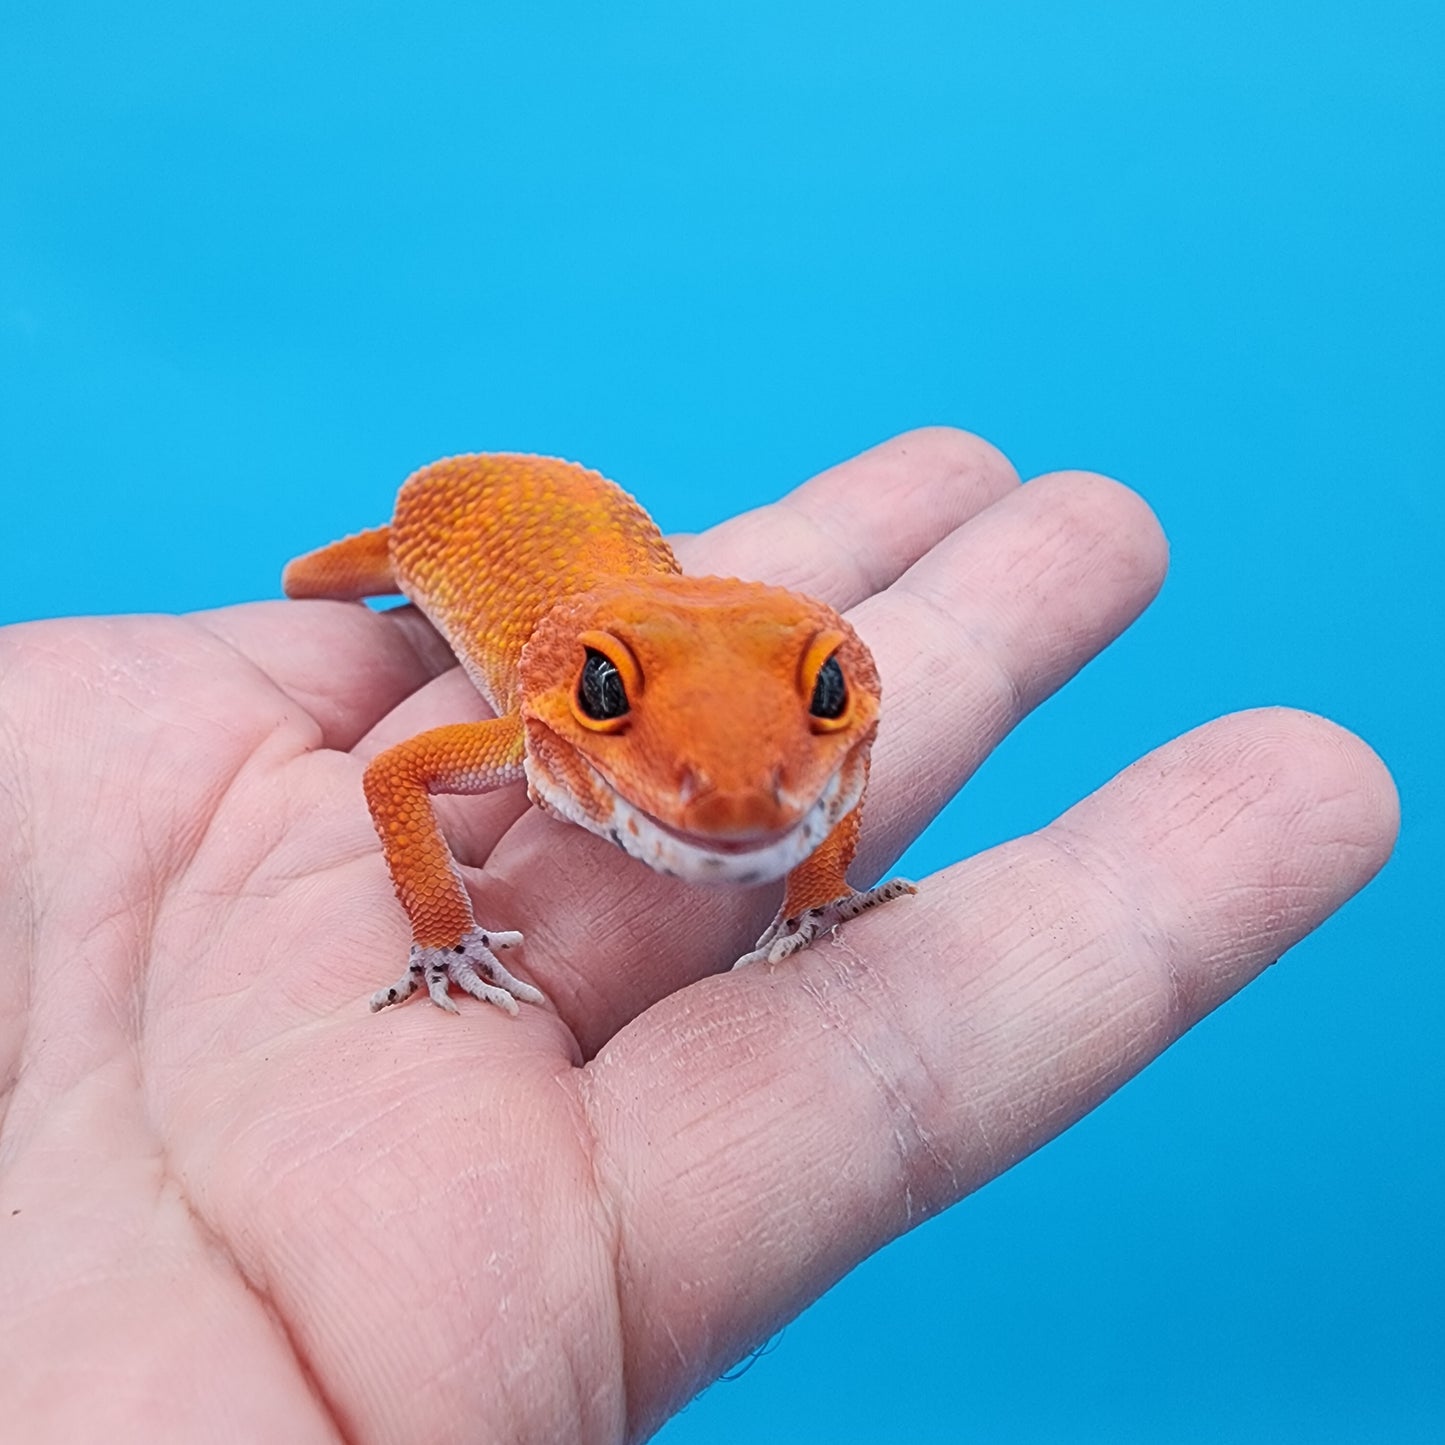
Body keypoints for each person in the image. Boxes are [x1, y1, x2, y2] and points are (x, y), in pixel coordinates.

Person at [0, 429, 1397, 1441]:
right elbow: (393, 774)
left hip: (614, 574)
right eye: (610, 705)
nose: (740, 799)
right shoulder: (515, 730)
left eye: (826, 702)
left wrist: (811, 889)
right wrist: (444, 927)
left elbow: (816, 782)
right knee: (328, 583)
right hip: (454, 512)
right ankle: (426, 599)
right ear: (563, 698)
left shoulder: (808, 764)